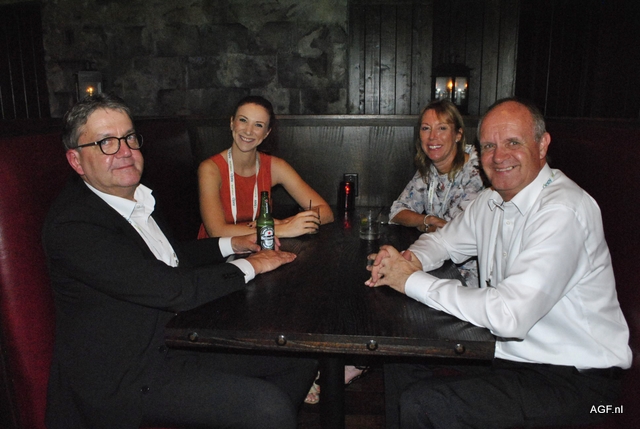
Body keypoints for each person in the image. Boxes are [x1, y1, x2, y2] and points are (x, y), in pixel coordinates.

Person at [43, 93, 318, 429]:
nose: (125, 151)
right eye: (106, 143)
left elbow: (170, 257)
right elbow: (172, 288)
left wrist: (234, 243)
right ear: (76, 160)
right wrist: (253, 264)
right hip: (124, 375)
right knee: (267, 407)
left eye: (129, 137)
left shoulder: (135, 198)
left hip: (172, 341)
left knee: (300, 358)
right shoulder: (74, 225)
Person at [366, 98, 632, 429]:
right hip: (510, 357)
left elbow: (508, 316)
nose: (498, 156)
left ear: (542, 145)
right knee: (401, 360)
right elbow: (443, 241)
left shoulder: (562, 211)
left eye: (513, 143)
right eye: (489, 146)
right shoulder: (490, 200)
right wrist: (409, 259)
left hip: (581, 382)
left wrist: (411, 280)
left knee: (424, 404)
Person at [197, 95, 334, 239]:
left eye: (258, 125)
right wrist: (280, 230)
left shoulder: (275, 166)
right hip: (216, 249)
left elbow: (326, 212)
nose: (248, 131)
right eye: (243, 120)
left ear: (267, 133)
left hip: (260, 246)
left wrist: (285, 223)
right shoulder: (210, 168)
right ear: (232, 123)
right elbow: (216, 232)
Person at [389, 99, 485, 288]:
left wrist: (424, 224)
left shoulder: (477, 172)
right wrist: (426, 220)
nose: (432, 137)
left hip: (469, 279)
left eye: (442, 128)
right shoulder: (430, 168)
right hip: (436, 263)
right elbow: (397, 211)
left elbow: (453, 232)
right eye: (426, 128)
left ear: (458, 134)